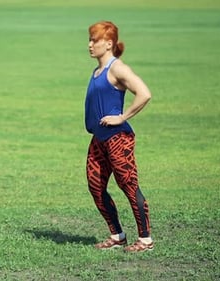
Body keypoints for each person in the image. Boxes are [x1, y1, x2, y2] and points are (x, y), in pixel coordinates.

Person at [84, 20, 153, 252]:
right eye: (90, 39)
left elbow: (144, 93)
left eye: (95, 40)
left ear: (109, 43)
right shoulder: (97, 71)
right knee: (95, 186)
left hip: (118, 139)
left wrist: (122, 117)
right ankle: (117, 235)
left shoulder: (118, 69)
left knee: (128, 186)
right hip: (99, 140)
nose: (90, 44)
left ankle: (145, 240)